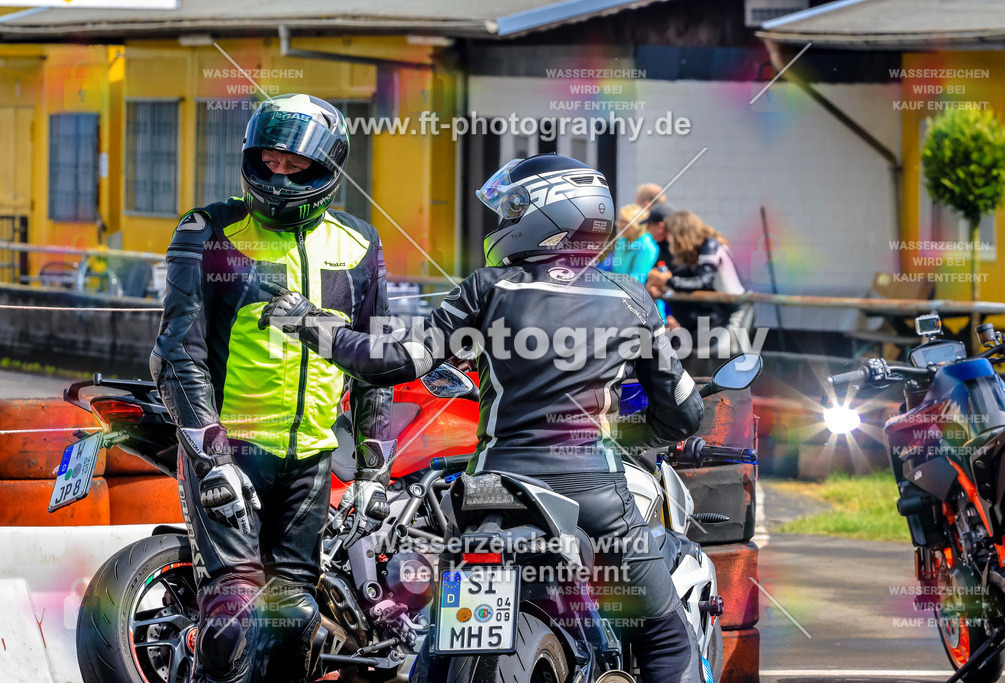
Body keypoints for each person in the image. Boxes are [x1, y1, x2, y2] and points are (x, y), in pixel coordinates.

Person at [260, 153, 705, 682]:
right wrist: (631, 432)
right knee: (665, 641)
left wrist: (308, 321)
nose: (503, 220)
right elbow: (683, 414)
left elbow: (393, 360)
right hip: (595, 495)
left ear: (553, 213)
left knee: (434, 646)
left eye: (514, 208)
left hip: (492, 492)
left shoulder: (488, 288)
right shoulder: (632, 300)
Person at [150, 93, 394, 683]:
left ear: (328, 168)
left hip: (311, 457)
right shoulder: (207, 229)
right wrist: (211, 456)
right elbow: (177, 350)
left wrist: (372, 471)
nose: (279, 173)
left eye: (295, 164)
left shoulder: (360, 241)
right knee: (232, 613)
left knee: (294, 617)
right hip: (229, 446)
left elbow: (373, 362)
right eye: (269, 159)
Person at [646, 210, 752, 360]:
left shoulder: (711, 245)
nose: (668, 240)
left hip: (737, 309)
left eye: (670, 234)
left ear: (681, 232)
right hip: (722, 310)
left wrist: (667, 281)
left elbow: (703, 281)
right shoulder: (695, 250)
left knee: (730, 357)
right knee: (718, 357)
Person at [600, 203, 658, 285]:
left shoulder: (647, 247)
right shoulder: (621, 242)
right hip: (616, 290)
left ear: (639, 224)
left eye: (625, 222)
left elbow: (636, 281)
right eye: (620, 221)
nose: (621, 225)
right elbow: (605, 267)